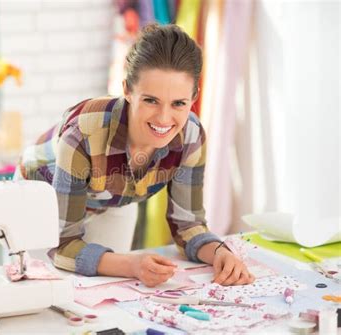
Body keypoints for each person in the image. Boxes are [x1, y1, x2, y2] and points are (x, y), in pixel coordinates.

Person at [16, 24, 255, 287]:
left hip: (108, 200)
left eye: (178, 103)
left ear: (193, 97)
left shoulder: (191, 136)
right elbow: (62, 245)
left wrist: (221, 253)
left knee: (109, 291)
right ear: (127, 90)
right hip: (37, 199)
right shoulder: (84, 132)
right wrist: (132, 264)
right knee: (50, 293)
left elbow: (188, 225)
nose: (164, 119)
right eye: (151, 100)